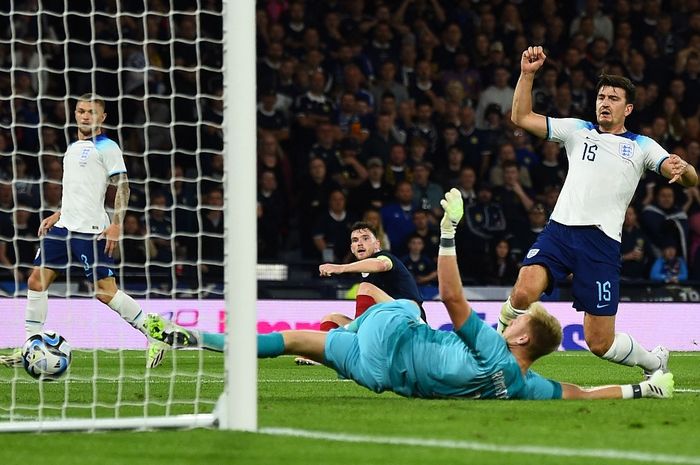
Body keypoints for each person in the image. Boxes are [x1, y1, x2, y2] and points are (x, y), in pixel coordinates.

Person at [145, 189, 674, 401]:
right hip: (376, 375)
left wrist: (448, 230)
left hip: (393, 328)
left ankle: (189, 335)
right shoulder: (520, 386)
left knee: (369, 298)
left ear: (518, 332)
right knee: (293, 341)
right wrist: (640, 392)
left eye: (516, 319)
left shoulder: (491, 346)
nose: (510, 320)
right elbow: (580, 395)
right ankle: (193, 336)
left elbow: (449, 295)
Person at [500, 46, 697, 378]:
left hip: (601, 244)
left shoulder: (641, 146)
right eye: (601, 97)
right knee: (524, 288)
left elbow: (687, 177)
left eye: (614, 98)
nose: (605, 102)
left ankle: (653, 362)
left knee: (599, 342)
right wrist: (528, 74)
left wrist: (684, 166)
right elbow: (521, 118)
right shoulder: (578, 131)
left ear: (628, 108)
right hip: (560, 232)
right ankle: (490, 346)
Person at [0, 94, 168, 368]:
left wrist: (116, 224)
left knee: (105, 292)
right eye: (81, 111)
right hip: (64, 227)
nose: (85, 115)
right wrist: (58, 213)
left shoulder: (107, 146)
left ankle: (154, 334)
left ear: (103, 117)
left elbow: (123, 187)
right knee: (35, 282)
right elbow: (78, 190)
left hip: (91, 232)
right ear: (75, 114)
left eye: (91, 112)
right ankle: (31, 346)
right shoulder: (73, 148)